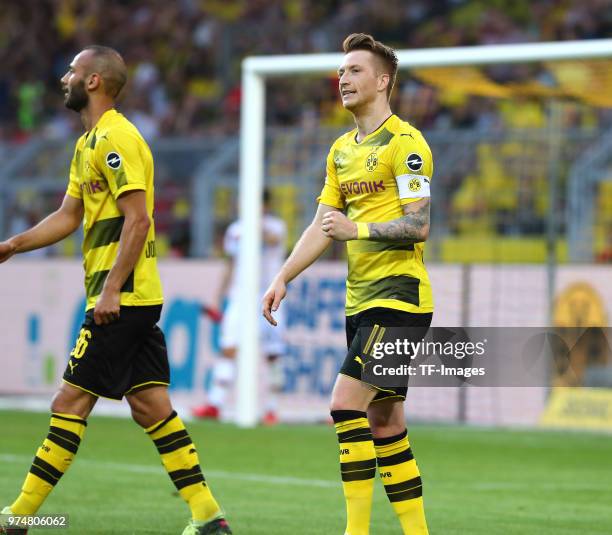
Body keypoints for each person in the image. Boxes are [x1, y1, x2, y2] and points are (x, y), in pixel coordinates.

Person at [0, 46, 231, 535]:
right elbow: (69, 215)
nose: (63, 77)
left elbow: (139, 217)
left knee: (68, 403)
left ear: (93, 81)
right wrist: (14, 244)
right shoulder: (87, 144)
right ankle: (208, 515)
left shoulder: (116, 139)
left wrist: (110, 290)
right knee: (151, 408)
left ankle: (17, 517)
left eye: (71, 70)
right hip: (131, 298)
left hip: (120, 300)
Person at [263, 33, 433, 535]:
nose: (343, 78)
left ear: (383, 81)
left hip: (400, 299)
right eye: (340, 71)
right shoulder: (341, 151)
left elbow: (419, 224)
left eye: (355, 70)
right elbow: (322, 224)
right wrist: (283, 275)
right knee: (386, 424)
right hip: (361, 302)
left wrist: (357, 229)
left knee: (343, 405)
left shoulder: (407, 144)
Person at [194, 189, 287, 424]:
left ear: (265, 205)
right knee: (229, 347)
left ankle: (271, 409)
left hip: (269, 295)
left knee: (272, 353)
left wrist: (256, 223)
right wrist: (218, 297)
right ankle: (215, 403)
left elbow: (273, 241)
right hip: (240, 296)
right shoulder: (235, 230)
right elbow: (230, 264)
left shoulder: (276, 227)